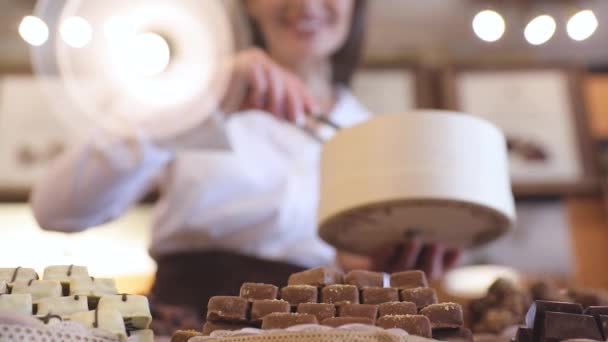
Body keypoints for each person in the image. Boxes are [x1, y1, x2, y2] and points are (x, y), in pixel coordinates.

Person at [31, 0, 459, 331]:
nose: (306, 3)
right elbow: (57, 209)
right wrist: (198, 104)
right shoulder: (189, 95)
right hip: (186, 324)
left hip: (325, 329)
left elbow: (370, 274)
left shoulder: (374, 136)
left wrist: (380, 274)